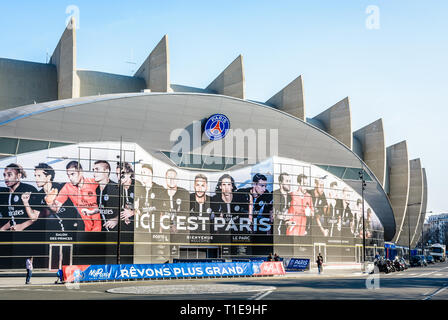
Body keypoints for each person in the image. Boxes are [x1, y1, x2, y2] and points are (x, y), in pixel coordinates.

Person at [51, 161, 101, 232]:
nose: (70, 178)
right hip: (86, 229)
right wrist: (50, 201)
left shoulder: (94, 183)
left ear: (80, 172)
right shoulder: (67, 187)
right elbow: (56, 208)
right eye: (68, 175)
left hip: (102, 227)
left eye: (72, 174)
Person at [0, 163, 38, 231]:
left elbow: (39, 215)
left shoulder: (29, 190)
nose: (6, 178)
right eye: (4, 175)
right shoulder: (5, 193)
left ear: (18, 176)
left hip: (29, 232)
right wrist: (2, 229)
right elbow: (13, 218)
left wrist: (22, 226)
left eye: (9, 175)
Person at [135, 164, 164, 232]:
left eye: (144, 173)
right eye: (141, 173)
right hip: (142, 228)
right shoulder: (140, 190)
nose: (142, 175)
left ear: (150, 174)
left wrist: (160, 231)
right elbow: (137, 209)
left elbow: (162, 211)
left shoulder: (159, 189)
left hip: (155, 228)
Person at [93, 160, 119, 231]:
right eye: (93, 170)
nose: (94, 173)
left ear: (106, 171)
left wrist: (116, 219)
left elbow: (128, 209)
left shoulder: (116, 188)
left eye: (97, 170)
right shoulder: (96, 190)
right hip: (103, 231)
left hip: (116, 232)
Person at [161, 168, 189, 233]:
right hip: (166, 233)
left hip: (181, 234)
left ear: (177, 179)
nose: (171, 180)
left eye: (174, 177)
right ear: (165, 179)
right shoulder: (161, 195)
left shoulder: (184, 193)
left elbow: (188, 215)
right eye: (169, 177)